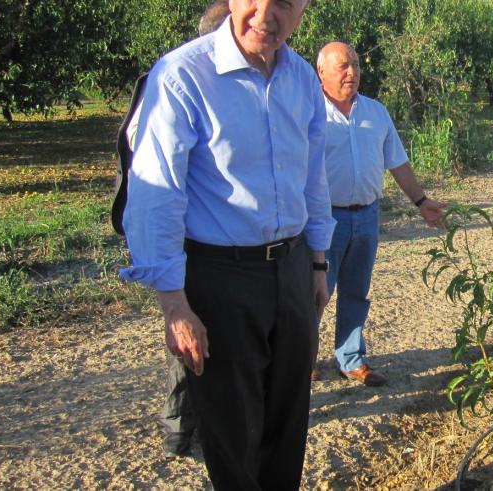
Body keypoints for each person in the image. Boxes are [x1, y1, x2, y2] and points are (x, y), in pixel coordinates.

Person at [119, 0, 334, 487]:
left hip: (294, 268)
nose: (265, 14)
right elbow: (156, 195)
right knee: (233, 434)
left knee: (287, 420)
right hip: (220, 278)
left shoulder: (302, 79)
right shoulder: (181, 77)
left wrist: (317, 264)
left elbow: (313, 177)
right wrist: (174, 304)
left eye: (284, 2)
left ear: (303, 9)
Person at [117, 0, 231, 459]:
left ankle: (189, 423)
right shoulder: (178, 79)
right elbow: (144, 158)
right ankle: (183, 426)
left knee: (201, 329)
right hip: (184, 235)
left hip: (195, 233)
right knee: (188, 328)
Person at [314, 41, 446, 386]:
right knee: (315, 293)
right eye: (343, 66)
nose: (352, 73)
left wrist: (421, 202)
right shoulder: (308, 114)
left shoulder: (376, 112)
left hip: (367, 217)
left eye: (355, 65)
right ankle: (302, 359)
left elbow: (397, 162)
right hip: (323, 220)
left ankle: (351, 359)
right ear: (321, 72)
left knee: (356, 291)